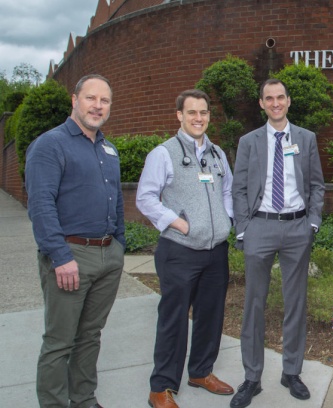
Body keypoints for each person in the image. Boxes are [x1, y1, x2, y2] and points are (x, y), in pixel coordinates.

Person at [25, 74, 125, 408]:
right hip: (70, 257)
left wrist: (119, 246)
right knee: (59, 341)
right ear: (74, 100)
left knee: (90, 337)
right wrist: (59, 255)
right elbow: (40, 206)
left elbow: (117, 202)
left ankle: (83, 399)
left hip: (107, 255)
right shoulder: (50, 145)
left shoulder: (108, 149)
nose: (98, 106)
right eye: (91, 98)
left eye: (105, 100)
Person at [136, 89, 235, 408]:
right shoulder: (163, 153)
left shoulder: (217, 154)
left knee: (211, 314)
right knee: (174, 318)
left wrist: (227, 219)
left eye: (204, 112)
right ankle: (161, 386)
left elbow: (228, 190)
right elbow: (145, 197)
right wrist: (178, 223)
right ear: (179, 115)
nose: (198, 118)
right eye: (191, 112)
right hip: (179, 251)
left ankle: (201, 371)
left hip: (215, 251)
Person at [230, 78, 325, 408]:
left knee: (295, 303)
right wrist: (243, 228)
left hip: (297, 228)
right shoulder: (249, 141)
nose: (275, 103)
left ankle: (291, 372)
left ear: (288, 101)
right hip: (261, 227)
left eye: (280, 97)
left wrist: (312, 222)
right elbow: (239, 188)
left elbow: (316, 184)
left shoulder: (305, 139)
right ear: (261, 104)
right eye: (268, 98)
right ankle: (252, 377)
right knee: (254, 304)